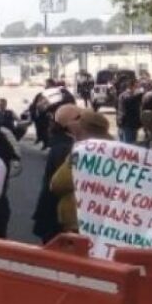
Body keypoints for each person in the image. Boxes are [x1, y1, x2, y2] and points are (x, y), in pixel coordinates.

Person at [50, 110, 112, 235]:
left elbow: (57, 184)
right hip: (105, 221)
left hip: (78, 221)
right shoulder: (115, 150)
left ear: (83, 128)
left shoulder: (82, 153)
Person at [31, 103, 80, 244]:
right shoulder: (64, 148)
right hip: (56, 216)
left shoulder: (62, 143)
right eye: (79, 118)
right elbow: (63, 182)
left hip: (52, 213)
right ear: (70, 124)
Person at [116, 78, 143, 144]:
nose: (138, 88)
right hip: (129, 124)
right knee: (129, 144)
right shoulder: (131, 96)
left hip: (122, 123)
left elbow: (119, 109)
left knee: (122, 144)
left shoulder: (122, 95)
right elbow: (127, 110)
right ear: (132, 86)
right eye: (137, 86)